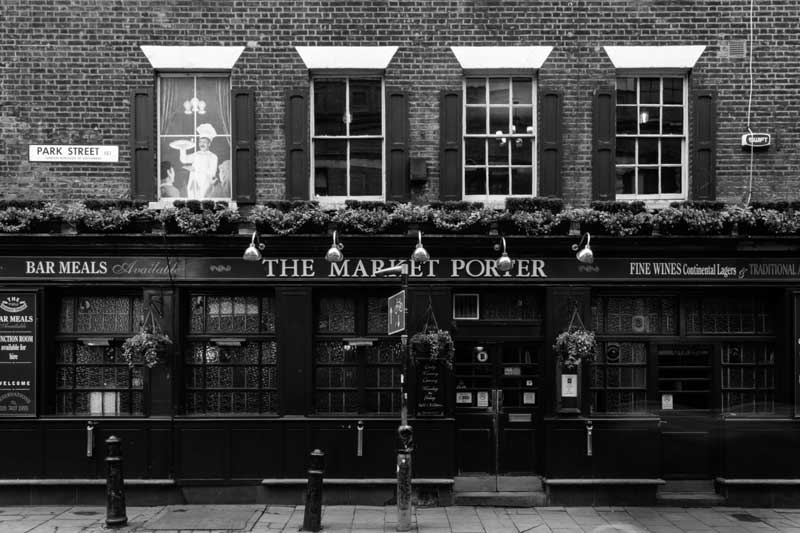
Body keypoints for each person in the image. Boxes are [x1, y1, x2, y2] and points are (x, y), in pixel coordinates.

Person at [177, 123, 218, 199]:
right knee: (192, 200)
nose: (202, 144)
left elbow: (212, 173)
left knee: (204, 201)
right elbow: (184, 160)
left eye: (204, 142)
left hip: (205, 183)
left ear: (209, 144)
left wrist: (196, 169)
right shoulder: (196, 154)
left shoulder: (213, 156)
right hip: (194, 183)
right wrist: (182, 148)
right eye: (200, 142)